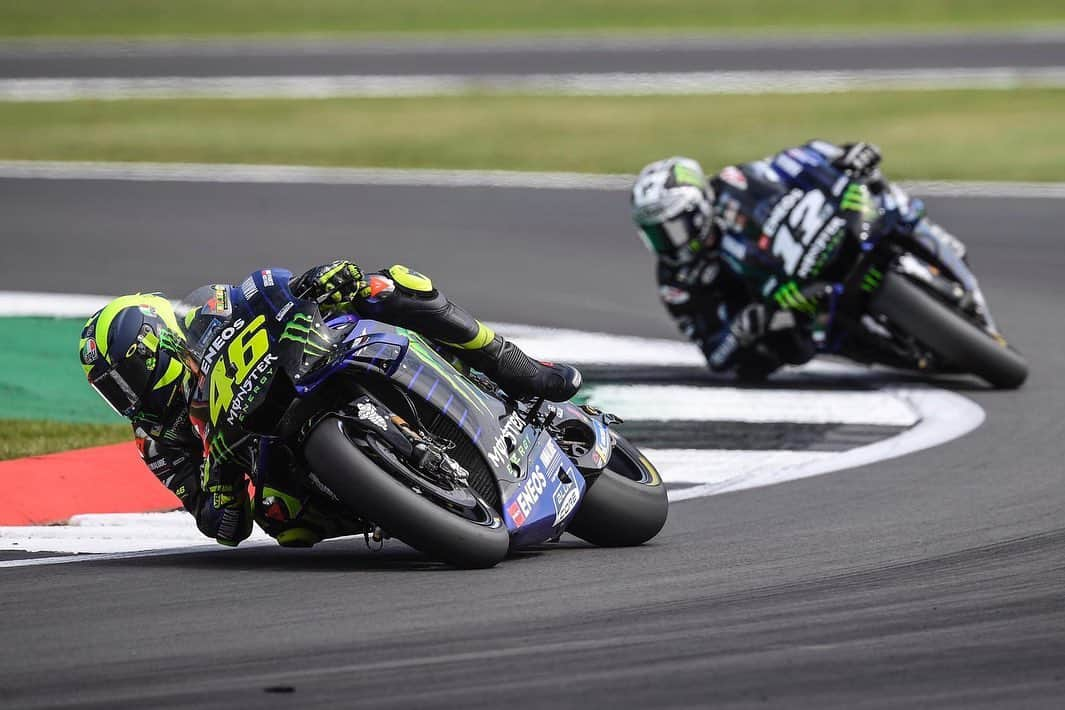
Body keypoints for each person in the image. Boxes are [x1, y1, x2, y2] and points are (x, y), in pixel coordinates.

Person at [78, 262, 582, 547]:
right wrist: (221, 483)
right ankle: (400, 502)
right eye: (113, 391)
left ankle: (506, 360)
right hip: (276, 451)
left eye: (128, 379)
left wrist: (317, 283)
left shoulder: (212, 313)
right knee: (284, 522)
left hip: (306, 362)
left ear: (161, 345)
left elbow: (267, 289)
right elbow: (220, 526)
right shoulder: (158, 442)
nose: (129, 398)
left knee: (389, 284)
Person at [630, 141, 967, 379]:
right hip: (792, 308)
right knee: (764, 359)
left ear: (698, 206)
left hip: (828, 237)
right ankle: (884, 347)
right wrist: (742, 329)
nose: (670, 241)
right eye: (657, 233)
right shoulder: (676, 280)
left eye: (674, 227)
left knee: (876, 187)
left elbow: (800, 158)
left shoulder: (739, 182)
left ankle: (937, 246)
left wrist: (846, 154)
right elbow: (714, 355)